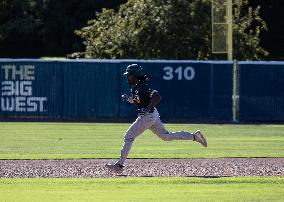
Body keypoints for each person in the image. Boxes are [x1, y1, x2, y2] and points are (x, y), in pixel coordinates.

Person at [105, 64, 207, 173]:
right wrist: (129, 99)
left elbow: (157, 97)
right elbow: (138, 102)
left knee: (128, 136)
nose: (127, 76)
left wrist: (147, 108)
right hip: (151, 116)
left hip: (147, 117)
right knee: (166, 136)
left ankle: (119, 165)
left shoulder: (142, 86)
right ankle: (194, 137)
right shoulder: (135, 86)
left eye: (129, 74)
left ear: (135, 75)